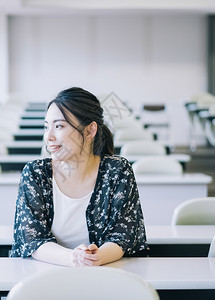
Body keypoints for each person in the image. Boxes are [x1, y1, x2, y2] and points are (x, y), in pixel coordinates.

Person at [10, 87, 147, 267]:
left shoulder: (117, 171)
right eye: (46, 127)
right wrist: (75, 258)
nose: (49, 136)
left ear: (90, 131)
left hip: (105, 275)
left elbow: (124, 235)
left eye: (59, 126)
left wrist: (97, 256)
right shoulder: (36, 174)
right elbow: (32, 239)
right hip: (43, 278)